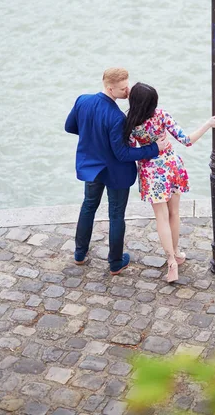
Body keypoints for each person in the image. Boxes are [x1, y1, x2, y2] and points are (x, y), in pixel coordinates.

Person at [65, 68, 167, 275]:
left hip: (92, 167)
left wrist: (91, 136)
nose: (127, 91)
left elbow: (70, 127)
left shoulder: (82, 100)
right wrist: (155, 148)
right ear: (110, 88)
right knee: (116, 215)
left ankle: (79, 254)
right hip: (116, 172)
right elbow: (122, 154)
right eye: (123, 88)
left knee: (88, 206)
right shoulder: (117, 117)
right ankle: (115, 262)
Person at [123, 82, 215, 282]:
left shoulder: (129, 122)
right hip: (170, 167)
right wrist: (208, 124)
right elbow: (187, 140)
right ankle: (176, 252)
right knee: (174, 213)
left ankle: (171, 261)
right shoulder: (161, 115)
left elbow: (129, 151)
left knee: (161, 217)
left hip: (150, 173)